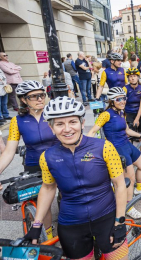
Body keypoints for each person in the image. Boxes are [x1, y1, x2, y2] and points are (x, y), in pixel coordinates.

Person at [24, 96, 128, 259]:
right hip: (72, 224)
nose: (67, 129)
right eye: (59, 124)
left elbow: (120, 185)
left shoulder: (104, 147)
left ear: (82, 122)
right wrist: (37, 224)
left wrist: (120, 221)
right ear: (51, 128)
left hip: (106, 218)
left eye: (72, 122)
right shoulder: (47, 157)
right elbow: (48, 188)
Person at [0, 81, 57, 240]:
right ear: (24, 99)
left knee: (68, 198)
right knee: (41, 205)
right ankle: (48, 235)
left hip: (59, 161)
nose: (40, 99)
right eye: (34, 96)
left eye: (42, 95)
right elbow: (9, 151)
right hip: (34, 165)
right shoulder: (17, 121)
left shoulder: (53, 113)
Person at [87, 87, 141, 219]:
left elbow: (126, 130)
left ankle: (139, 187)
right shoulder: (106, 114)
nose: (122, 101)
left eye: (124, 98)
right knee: (130, 179)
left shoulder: (122, 112)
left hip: (127, 145)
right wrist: (89, 147)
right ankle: (129, 206)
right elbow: (92, 131)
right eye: (118, 99)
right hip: (118, 149)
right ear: (111, 100)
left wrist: (140, 136)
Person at [124, 68, 141, 158]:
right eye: (130, 76)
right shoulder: (125, 89)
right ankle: (131, 157)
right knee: (128, 136)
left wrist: (137, 119)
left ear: (138, 77)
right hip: (129, 114)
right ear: (128, 78)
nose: (132, 78)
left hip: (140, 114)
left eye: (134, 76)